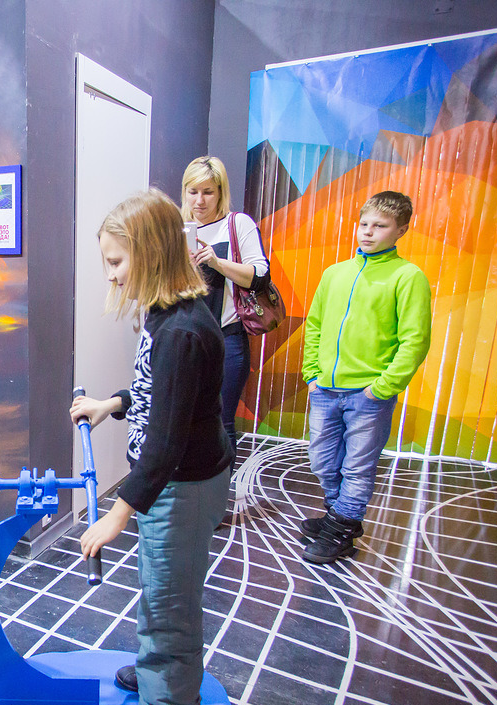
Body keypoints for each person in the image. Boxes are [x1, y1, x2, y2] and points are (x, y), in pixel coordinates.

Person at [71, 189, 233, 705]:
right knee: (160, 587)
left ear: (152, 253)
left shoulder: (182, 330)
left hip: (181, 487)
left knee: (171, 606)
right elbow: (161, 394)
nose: (111, 275)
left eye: (117, 261)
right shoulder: (167, 315)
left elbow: (165, 444)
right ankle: (154, 673)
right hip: (171, 483)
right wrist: (112, 403)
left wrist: (116, 516)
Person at [299, 190, 432, 563]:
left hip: (368, 393)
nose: (369, 232)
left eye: (381, 226)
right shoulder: (335, 273)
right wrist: (312, 373)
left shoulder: (408, 276)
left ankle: (340, 531)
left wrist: (383, 387)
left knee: (357, 467)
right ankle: (338, 516)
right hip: (325, 388)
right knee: (322, 461)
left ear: (401, 230)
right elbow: (315, 325)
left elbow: (415, 340)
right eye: (364, 224)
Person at [181, 155, 271, 463]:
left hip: (226, 340)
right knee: (183, 419)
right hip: (185, 339)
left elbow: (260, 276)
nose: (200, 200)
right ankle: (192, 485)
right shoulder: (177, 228)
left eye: (208, 192)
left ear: (220, 191)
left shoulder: (237, 224)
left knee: (221, 422)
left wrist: (217, 262)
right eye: (193, 191)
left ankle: (221, 490)